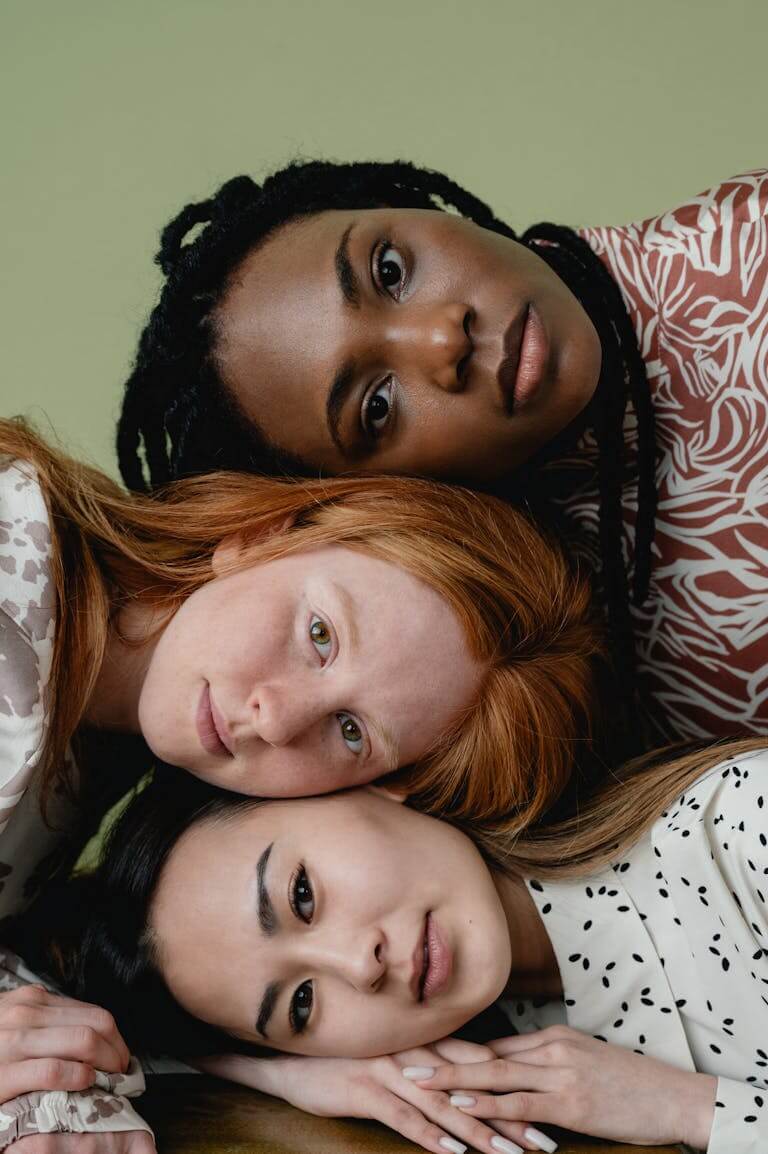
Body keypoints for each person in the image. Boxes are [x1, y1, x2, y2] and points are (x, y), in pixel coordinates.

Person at [0, 415, 601, 1147]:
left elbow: (89, 969)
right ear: (265, 532)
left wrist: (283, 1064)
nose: (277, 718)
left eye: (351, 733)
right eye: (319, 634)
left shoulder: (117, 756)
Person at [116, 162, 768, 741]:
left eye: (390, 271)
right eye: (376, 407)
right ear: (381, 493)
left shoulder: (745, 242)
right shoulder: (540, 653)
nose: (441, 340)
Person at [17, 736, 768, 1154]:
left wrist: (690, 1111)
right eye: (302, 1003)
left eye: (301, 895)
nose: (358, 965)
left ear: (363, 782)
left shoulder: (738, 827)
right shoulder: (535, 1079)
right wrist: (286, 1074)